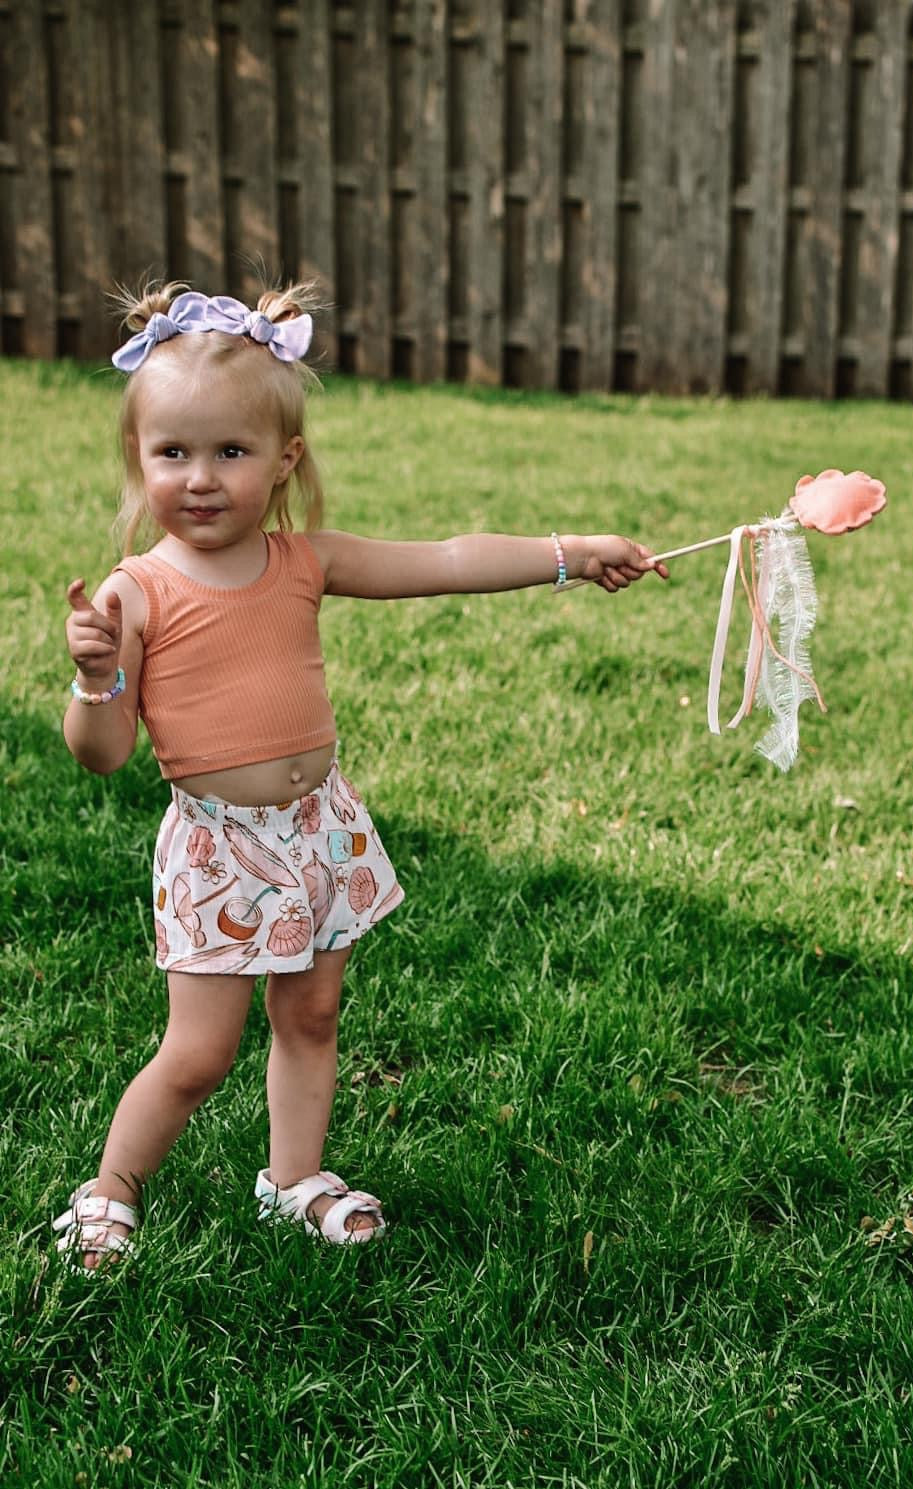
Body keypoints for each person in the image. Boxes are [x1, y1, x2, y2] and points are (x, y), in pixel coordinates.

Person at [55, 279, 667, 1270]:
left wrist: (570, 553)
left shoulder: (304, 559)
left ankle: (293, 1179)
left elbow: (449, 559)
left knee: (314, 1013)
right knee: (200, 1052)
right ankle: (109, 1187)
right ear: (139, 456)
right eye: (173, 452)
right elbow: (104, 751)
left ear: (284, 458)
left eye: (230, 452)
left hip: (319, 829)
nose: (200, 478)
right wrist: (95, 677)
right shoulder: (138, 592)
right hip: (220, 847)